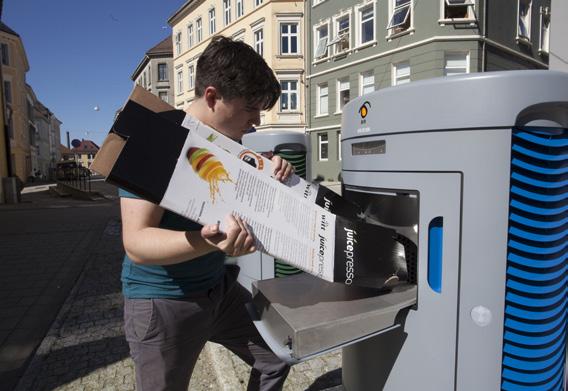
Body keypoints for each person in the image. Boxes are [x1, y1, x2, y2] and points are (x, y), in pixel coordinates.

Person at [119, 36, 293, 391]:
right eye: (250, 109)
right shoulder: (153, 138)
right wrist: (209, 241)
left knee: (277, 357)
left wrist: (276, 176)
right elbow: (136, 242)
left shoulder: (228, 144)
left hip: (219, 290)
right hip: (164, 302)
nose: (257, 120)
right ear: (212, 97)